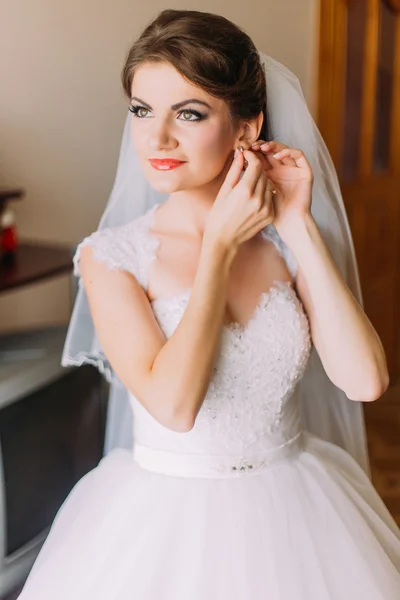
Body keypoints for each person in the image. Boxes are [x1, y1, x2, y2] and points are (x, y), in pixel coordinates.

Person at [18, 9, 400, 599]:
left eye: (188, 113)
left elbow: (366, 380)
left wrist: (296, 223)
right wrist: (218, 249)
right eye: (142, 110)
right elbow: (174, 408)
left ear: (248, 127)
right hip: (165, 524)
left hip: (299, 508)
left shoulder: (285, 240)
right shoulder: (112, 257)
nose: (155, 138)